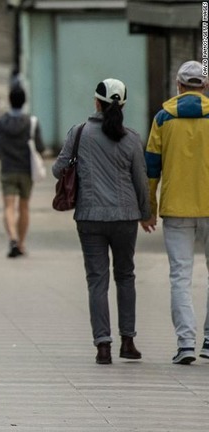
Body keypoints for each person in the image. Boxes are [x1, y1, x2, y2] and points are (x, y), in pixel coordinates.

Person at [52, 78, 150, 365]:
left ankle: (103, 346)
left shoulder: (79, 133)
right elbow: (140, 182)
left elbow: (59, 170)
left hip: (90, 216)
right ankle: (128, 341)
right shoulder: (131, 138)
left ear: (96, 102)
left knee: (97, 280)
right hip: (125, 217)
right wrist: (145, 214)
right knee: (125, 276)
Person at [141, 60, 209, 365]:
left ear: (179, 86)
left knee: (180, 276)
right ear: (204, 87)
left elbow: (151, 168)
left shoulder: (163, 118)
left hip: (176, 207)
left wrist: (149, 209)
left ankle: (185, 343)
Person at [0, 85, 44, 258]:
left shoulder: (0, 123)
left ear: (9, 100)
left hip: (8, 169)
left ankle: (12, 238)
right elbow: (40, 147)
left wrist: (2, 155)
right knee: (24, 207)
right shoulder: (31, 122)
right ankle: (21, 243)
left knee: (8, 206)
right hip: (26, 170)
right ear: (24, 101)